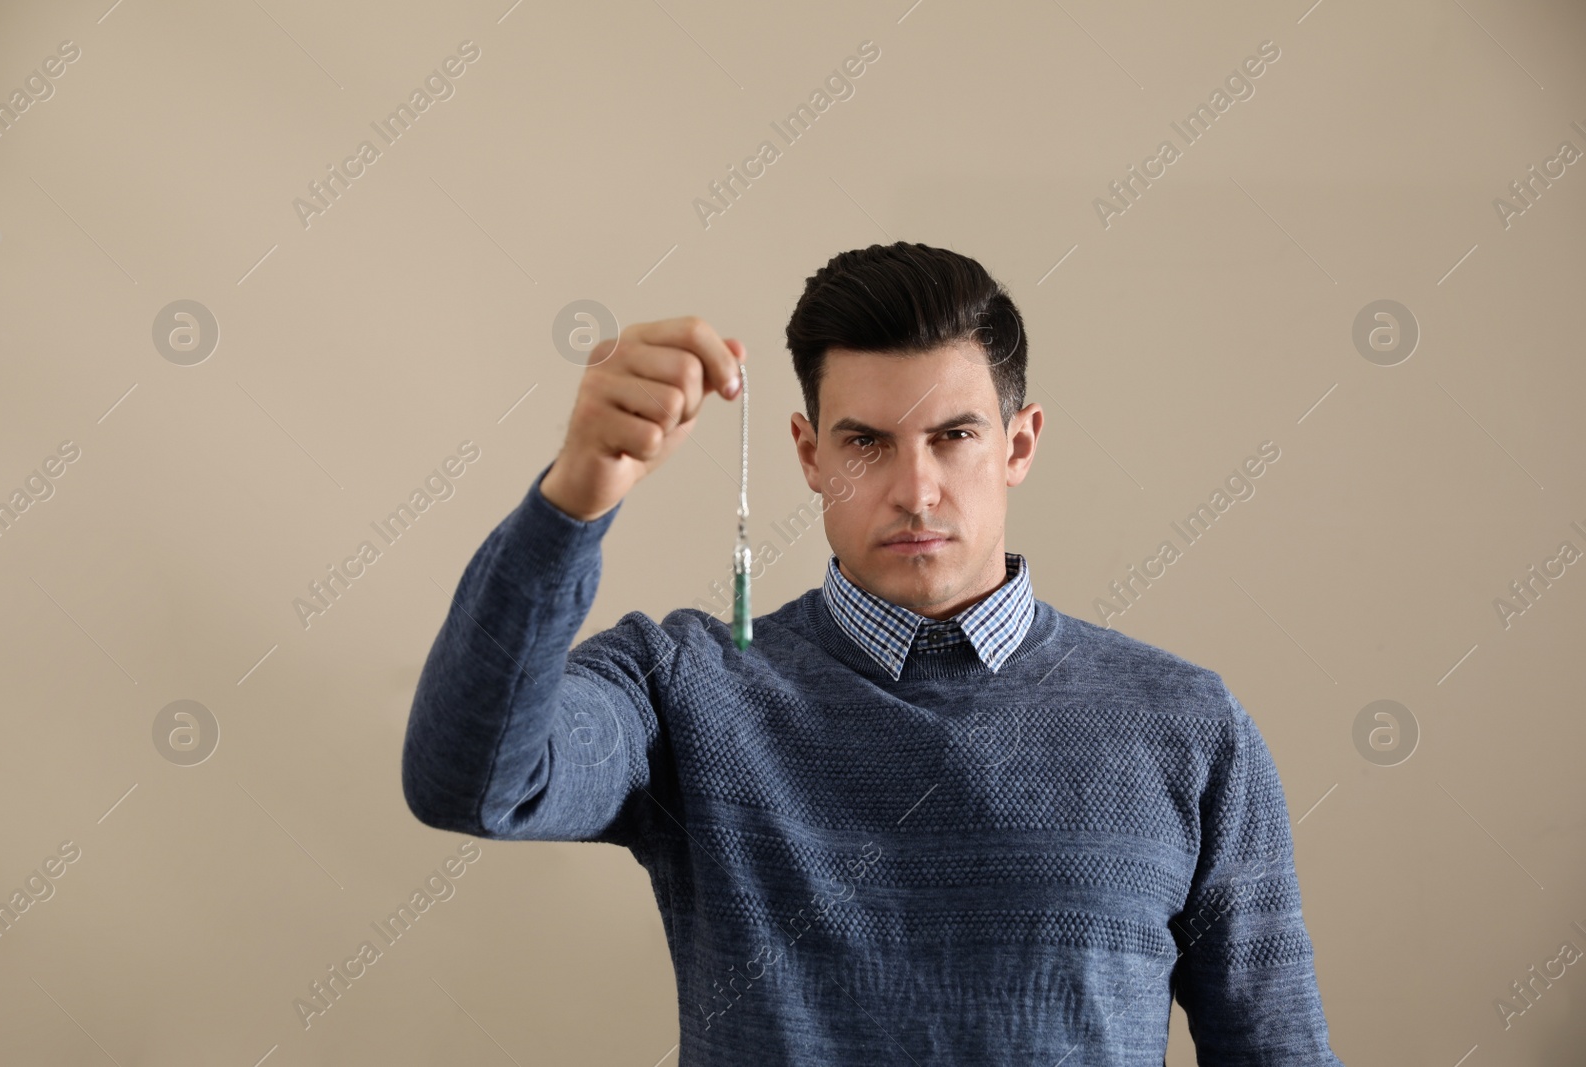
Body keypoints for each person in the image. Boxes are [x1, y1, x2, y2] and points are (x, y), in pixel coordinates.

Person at [400, 241, 1345, 1064]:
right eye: (867, 443)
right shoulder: (688, 688)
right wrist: (576, 494)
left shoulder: (1185, 725)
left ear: (1020, 444)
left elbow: (1275, 1050)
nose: (916, 489)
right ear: (810, 454)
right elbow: (470, 777)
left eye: (954, 436)